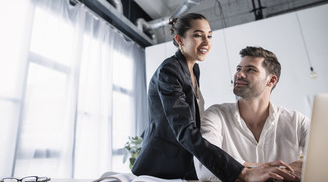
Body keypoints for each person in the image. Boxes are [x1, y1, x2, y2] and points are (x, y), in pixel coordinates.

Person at [131, 14, 296, 182]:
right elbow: (185, 131)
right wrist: (243, 173)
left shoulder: (194, 70)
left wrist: (250, 166)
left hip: (188, 163)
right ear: (180, 40)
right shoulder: (169, 71)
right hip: (164, 165)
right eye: (197, 35)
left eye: (209, 36)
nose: (206, 42)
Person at [194, 46, 310, 181]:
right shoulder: (215, 115)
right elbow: (204, 167)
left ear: (271, 80)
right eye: (239, 69)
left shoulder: (297, 121)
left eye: (251, 70)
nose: (239, 74)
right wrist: (280, 171)